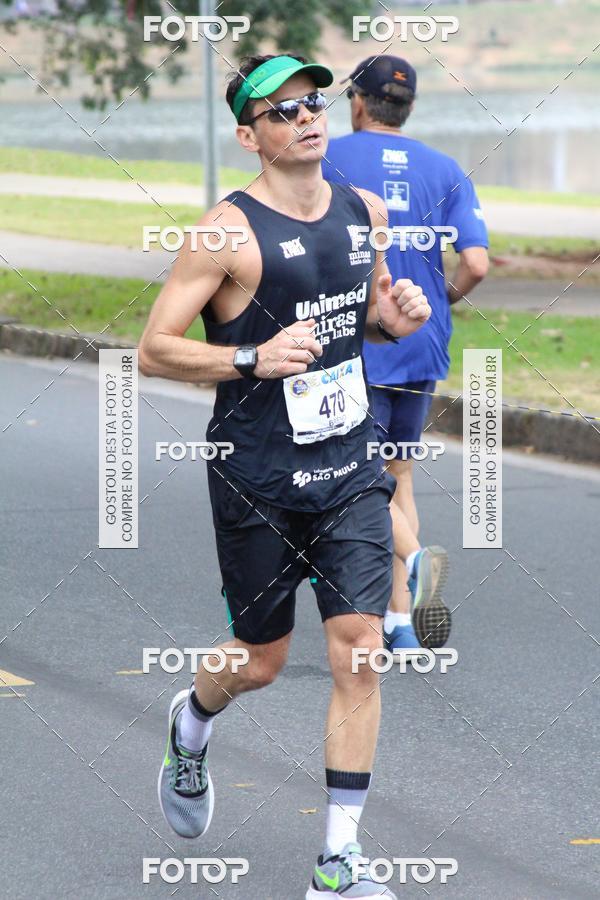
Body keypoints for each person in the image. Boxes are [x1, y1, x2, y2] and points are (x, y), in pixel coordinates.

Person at [138, 53, 433, 899]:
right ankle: (192, 722)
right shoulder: (224, 234)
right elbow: (154, 348)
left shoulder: (364, 210)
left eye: (314, 103)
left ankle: (338, 864)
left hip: (349, 467)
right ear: (249, 137)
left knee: (361, 651)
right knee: (261, 661)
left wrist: (392, 318)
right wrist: (250, 358)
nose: (306, 117)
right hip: (257, 474)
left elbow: (362, 319)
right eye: (282, 111)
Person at [322, 55, 489, 653]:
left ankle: (414, 562)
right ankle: (401, 625)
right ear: (409, 106)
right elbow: (476, 264)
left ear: (356, 102)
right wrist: (441, 301)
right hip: (422, 342)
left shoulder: (326, 157)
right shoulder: (445, 168)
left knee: (357, 479)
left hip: (357, 340)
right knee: (399, 475)